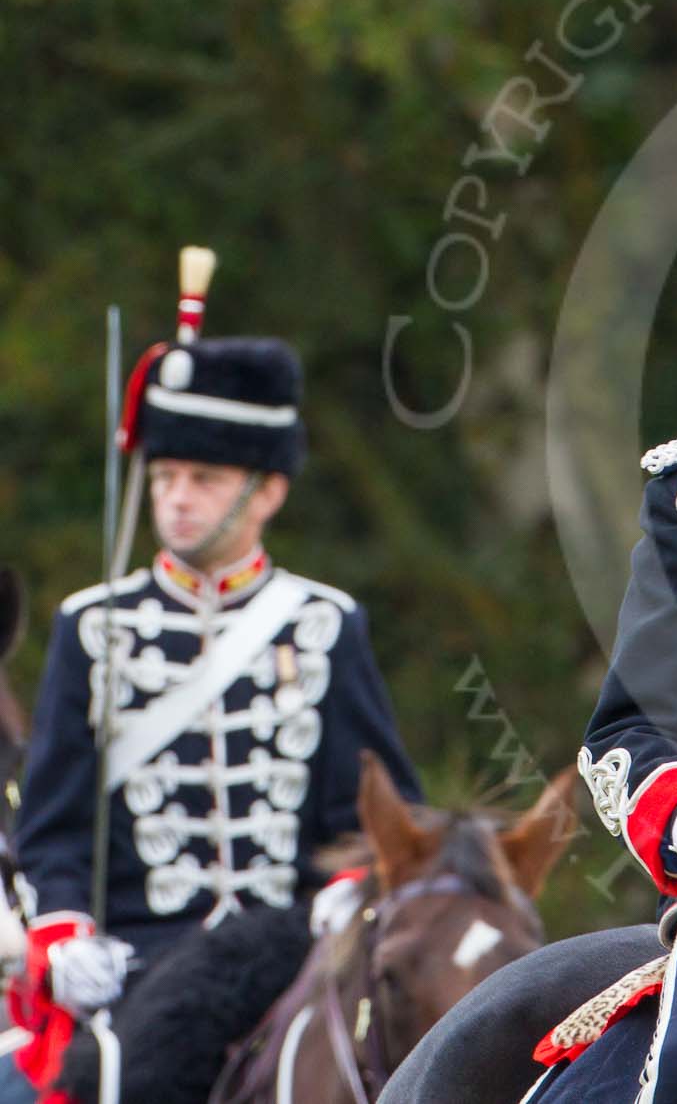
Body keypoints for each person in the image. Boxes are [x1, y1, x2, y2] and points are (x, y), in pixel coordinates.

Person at [2, 328, 421, 1099]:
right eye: (164, 476)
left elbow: (381, 814)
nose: (177, 497)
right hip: (138, 965)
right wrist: (62, 935)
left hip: (293, 964)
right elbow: (52, 829)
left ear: (267, 489)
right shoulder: (92, 626)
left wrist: (351, 887)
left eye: (203, 477)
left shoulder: (323, 623)